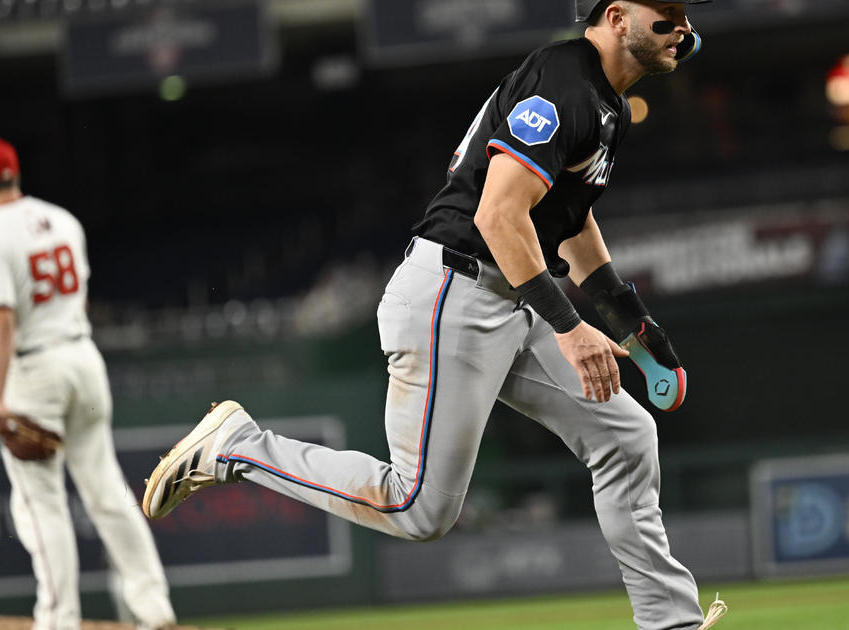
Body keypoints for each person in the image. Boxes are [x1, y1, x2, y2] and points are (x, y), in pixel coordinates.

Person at [143, 2, 726, 629]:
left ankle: (671, 624)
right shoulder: (566, 81)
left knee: (626, 437)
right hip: (456, 293)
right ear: (615, 16)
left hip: (506, 296)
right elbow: (499, 217)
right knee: (417, 508)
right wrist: (571, 327)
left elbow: (569, 221)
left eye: (686, 17)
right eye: (666, 13)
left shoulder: (604, 102)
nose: (682, 28)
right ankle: (239, 448)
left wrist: (631, 321)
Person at [0, 137, 176, 630]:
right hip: (83, 356)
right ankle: (154, 608)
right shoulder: (63, 220)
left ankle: (58, 620)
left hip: (34, 370)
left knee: (41, 505)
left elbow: (0, 321)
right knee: (107, 492)